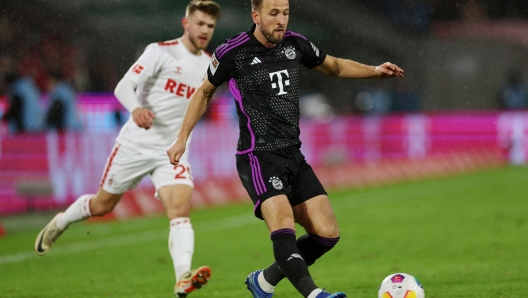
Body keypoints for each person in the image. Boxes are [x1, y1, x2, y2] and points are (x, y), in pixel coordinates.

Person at [166, 0, 404, 297]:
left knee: (327, 234)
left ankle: (263, 281)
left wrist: (374, 71)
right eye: (274, 14)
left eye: (286, 13)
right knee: (283, 226)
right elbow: (204, 92)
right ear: (256, 15)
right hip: (258, 156)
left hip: (293, 154)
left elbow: (335, 65)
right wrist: (181, 138)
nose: (281, 20)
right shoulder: (232, 52)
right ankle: (313, 293)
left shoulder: (295, 44)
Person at [34, 1, 221, 297]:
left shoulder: (209, 66)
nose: (205, 31)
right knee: (102, 206)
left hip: (171, 150)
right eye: (200, 24)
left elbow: (201, 104)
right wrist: (135, 109)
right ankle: (61, 222)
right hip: (136, 143)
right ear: (186, 24)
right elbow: (124, 86)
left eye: (210, 26)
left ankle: (182, 277)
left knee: (180, 208)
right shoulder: (160, 51)